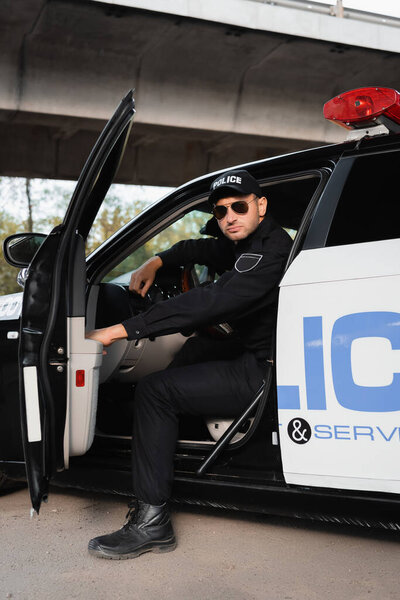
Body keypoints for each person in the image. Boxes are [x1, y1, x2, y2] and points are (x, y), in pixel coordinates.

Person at [86, 169, 293, 560]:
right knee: (196, 350)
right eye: (220, 211)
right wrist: (156, 261)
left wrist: (119, 330)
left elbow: (210, 302)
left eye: (239, 206)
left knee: (154, 391)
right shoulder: (244, 244)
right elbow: (197, 250)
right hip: (260, 356)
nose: (229, 216)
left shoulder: (271, 251)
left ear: (261, 206)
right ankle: (156, 432)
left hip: (267, 372)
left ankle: (152, 524)